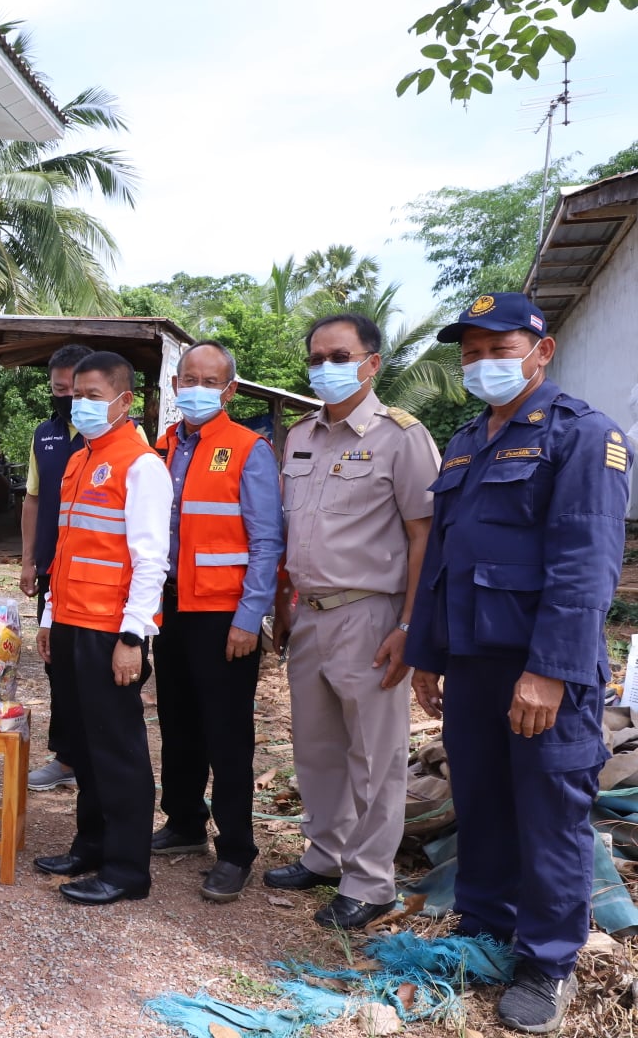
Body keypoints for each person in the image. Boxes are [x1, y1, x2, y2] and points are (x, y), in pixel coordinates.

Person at [406, 292, 627, 1034]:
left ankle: (547, 962)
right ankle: (485, 928)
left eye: (499, 350)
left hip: (543, 668)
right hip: (471, 661)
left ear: (542, 350)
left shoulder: (583, 435)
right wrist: (428, 654)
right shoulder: (468, 440)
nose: (482, 364)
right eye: (470, 353)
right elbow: (443, 560)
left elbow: (585, 566)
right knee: (483, 801)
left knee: (550, 814)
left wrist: (550, 671)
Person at [268, 313, 440, 930]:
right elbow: (291, 531)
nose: (325, 368)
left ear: (372, 363)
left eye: (339, 356)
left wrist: (410, 626)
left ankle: (370, 882)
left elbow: (425, 538)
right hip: (309, 614)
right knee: (316, 747)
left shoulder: (402, 437)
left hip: (372, 615)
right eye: (316, 357)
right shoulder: (300, 435)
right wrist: (283, 604)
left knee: (374, 754)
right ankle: (325, 854)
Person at [33, 351, 172, 905]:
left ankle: (126, 869)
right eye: (76, 395)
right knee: (83, 747)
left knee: (117, 751)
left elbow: (150, 561)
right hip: (70, 623)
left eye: (93, 396)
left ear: (124, 400)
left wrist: (133, 638)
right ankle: (89, 846)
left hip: (110, 632)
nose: (81, 405)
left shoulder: (141, 465)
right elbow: (68, 548)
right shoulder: (79, 459)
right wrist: (50, 616)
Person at [151, 341, 284, 903]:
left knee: (227, 734)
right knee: (177, 721)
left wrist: (250, 618)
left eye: (211, 382)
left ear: (229, 390)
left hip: (224, 616)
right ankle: (184, 822)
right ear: (175, 385)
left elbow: (267, 540)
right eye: (190, 379)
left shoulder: (249, 449)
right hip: (171, 608)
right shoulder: (161, 447)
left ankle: (235, 850)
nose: (198, 389)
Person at [18, 342, 92, 792]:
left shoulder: (120, 436)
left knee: (97, 667)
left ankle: (98, 759)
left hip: (101, 578)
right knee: (57, 663)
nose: (65, 398)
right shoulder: (44, 435)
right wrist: (29, 560)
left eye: (73, 390)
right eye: (58, 389)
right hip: (53, 572)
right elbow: (33, 499)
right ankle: (66, 759)